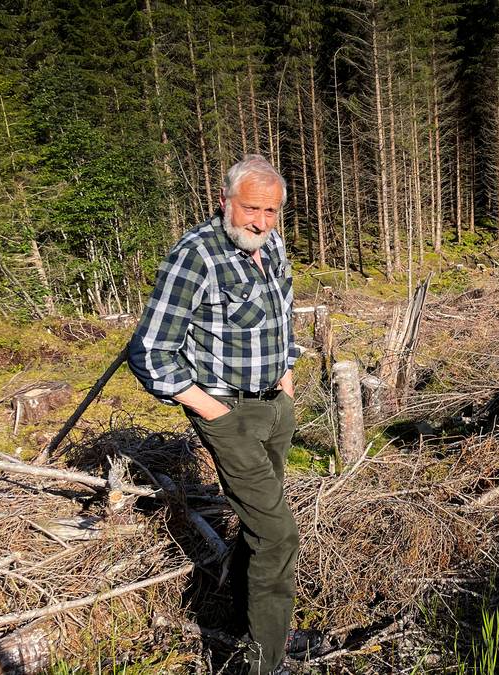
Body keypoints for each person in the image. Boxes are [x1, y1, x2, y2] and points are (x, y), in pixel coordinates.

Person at [128, 154, 299, 674]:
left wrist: (287, 385)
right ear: (225, 201)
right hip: (230, 413)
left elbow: (280, 320)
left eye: (272, 211)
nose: (261, 222)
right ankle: (265, 663)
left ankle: (257, 630)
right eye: (252, 209)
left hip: (274, 408)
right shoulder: (196, 256)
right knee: (277, 535)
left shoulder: (269, 245)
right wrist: (213, 411)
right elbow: (150, 351)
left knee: (256, 527)